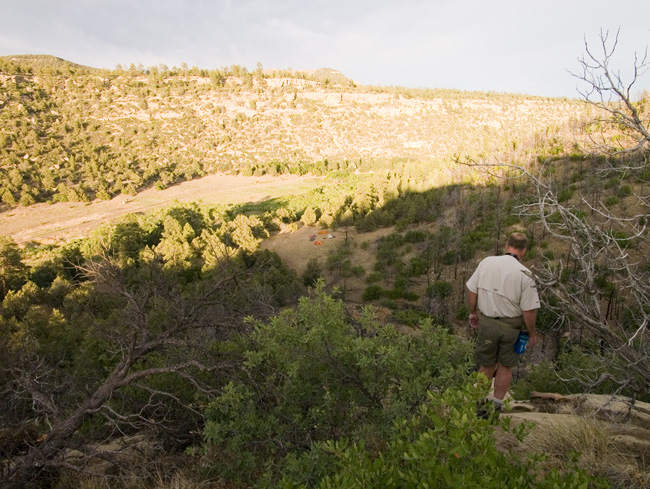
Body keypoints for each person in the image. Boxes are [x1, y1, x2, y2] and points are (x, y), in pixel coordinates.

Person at [466, 232, 540, 418]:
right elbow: (529, 311)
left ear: (507, 246)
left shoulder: (487, 262)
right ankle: (495, 408)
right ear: (523, 251)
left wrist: (473, 312)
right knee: (506, 367)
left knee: (486, 365)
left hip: (488, 323)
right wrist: (532, 333)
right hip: (511, 328)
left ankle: (478, 405)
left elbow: (471, 289)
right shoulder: (526, 275)